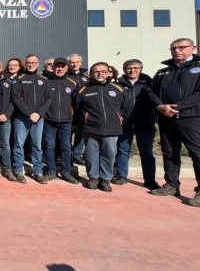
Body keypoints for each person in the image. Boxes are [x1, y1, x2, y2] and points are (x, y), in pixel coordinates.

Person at [151, 38, 200, 207]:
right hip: (166, 118)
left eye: (181, 47)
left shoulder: (198, 68)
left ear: (193, 48)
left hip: (191, 118)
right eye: (173, 48)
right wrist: (160, 106)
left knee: (197, 153)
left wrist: (178, 107)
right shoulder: (163, 72)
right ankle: (172, 185)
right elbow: (151, 92)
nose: (177, 50)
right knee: (170, 153)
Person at [75, 62, 128, 192]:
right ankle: (93, 178)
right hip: (91, 128)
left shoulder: (118, 88)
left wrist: (118, 117)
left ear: (108, 72)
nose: (100, 74)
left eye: (103, 71)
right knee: (91, 153)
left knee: (109, 154)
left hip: (112, 128)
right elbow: (77, 108)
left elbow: (125, 107)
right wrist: (86, 119)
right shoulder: (83, 89)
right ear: (91, 73)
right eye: (96, 71)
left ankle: (105, 179)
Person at [113, 59, 160, 189]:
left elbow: (156, 100)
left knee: (147, 153)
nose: (132, 70)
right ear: (124, 70)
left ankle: (150, 180)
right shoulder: (118, 84)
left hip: (145, 124)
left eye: (136, 67)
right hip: (125, 124)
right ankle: (122, 176)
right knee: (122, 151)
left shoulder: (149, 83)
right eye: (129, 68)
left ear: (141, 68)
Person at [11, 53, 52, 184]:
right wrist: (29, 113)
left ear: (38, 64)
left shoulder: (44, 80)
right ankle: (18, 170)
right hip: (22, 118)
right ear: (25, 63)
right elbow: (16, 98)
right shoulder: (18, 79)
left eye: (33, 63)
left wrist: (38, 114)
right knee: (18, 145)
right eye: (28, 63)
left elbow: (48, 99)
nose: (30, 65)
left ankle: (38, 171)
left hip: (38, 119)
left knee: (37, 146)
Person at [42, 58, 79, 184]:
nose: (59, 69)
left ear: (67, 68)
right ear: (53, 68)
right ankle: (51, 170)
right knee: (49, 146)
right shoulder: (47, 82)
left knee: (66, 147)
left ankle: (66, 172)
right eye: (57, 66)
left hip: (66, 121)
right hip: (49, 120)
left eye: (62, 66)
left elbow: (77, 102)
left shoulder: (73, 82)